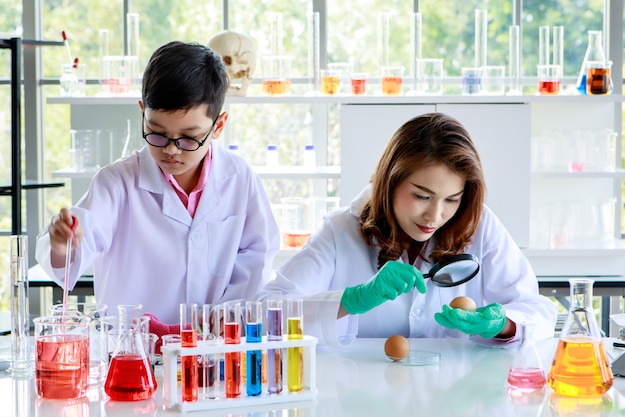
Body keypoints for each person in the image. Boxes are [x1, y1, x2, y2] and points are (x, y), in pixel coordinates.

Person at [258, 112, 557, 348]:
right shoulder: (341, 230)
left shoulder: (479, 225)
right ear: (391, 181)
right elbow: (266, 310)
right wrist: (350, 300)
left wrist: (503, 324)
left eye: (452, 199)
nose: (435, 215)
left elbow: (538, 310)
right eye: (421, 196)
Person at [36, 41, 280, 327]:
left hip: (210, 347)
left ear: (219, 126)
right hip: (134, 350)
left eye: (189, 137)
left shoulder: (239, 178)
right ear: (142, 113)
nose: (171, 150)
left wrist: (226, 317)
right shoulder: (117, 183)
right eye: (157, 133)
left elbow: (258, 256)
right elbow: (73, 254)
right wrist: (63, 244)